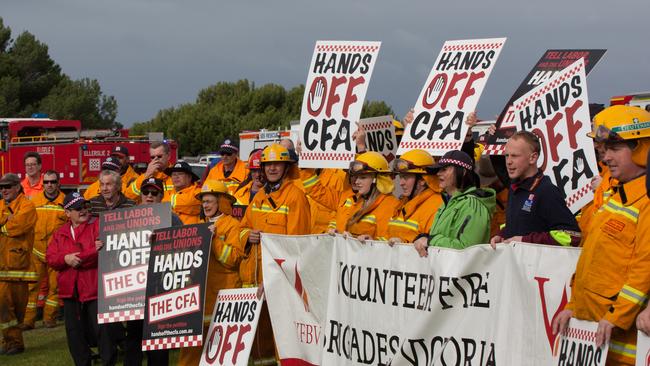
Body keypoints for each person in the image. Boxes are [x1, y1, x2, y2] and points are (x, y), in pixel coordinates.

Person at [553, 105, 650, 365]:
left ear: (641, 149)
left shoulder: (646, 202)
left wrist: (616, 317)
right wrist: (573, 306)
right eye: (602, 150)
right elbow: (592, 261)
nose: (605, 157)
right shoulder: (615, 197)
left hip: (621, 344)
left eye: (614, 148)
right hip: (593, 333)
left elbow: (643, 269)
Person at [238, 143, 311, 363]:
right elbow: (243, 227)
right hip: (256, 279)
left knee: (284, 339)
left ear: (287, 167)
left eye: (277, 164)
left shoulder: (295, 197)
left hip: (282, 282)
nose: (272, 169)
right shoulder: (259, 196)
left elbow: (296, 246)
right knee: (261, 344)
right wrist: (247, 236)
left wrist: (272, 280)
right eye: (268, 164)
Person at [178, 180, 244, 365]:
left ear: (222, 202)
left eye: (209, 201)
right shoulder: (200, 225)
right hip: (201, 294)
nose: (205, 205)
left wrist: (214, 239)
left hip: (224, 294)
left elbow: (233, 260)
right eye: (203, 201)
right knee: (191, 347)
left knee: (220, 350)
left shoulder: (232, 225)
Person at [489, 131, 581, 247]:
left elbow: (572, 236)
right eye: (507, 155)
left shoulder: (547, 191)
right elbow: (518, 224)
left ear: (533, 158)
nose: (508, 161)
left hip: (539, 264)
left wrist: (525, 241)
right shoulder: (514, 187)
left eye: (515, 156)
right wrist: (502, 235)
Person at [46, 192, 101, 366]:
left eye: (85, 206)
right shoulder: (59, 233)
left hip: (93, 289)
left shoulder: (97, 225)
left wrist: (75, 258)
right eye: (78, 208)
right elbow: (51, 258)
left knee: (101, 332)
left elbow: (99, 254)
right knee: (74, 333)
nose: (83, 211)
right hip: (70, 291)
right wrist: (65, 259)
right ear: (67, 213)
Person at [413, 151, 495, 255]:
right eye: (439, 170)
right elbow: (441, 236)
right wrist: (424, 237)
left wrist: (431, 241)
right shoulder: (447, 202)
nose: (438, 173)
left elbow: (468, 249)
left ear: (463, 172)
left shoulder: (473, 205)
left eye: (444, 169)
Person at [22, 170, 67, 330]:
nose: (49, 185)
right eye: (46, 182)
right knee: (32, 286)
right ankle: (28, 321)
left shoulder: (65, 202)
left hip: (56, 254)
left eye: (53, 182)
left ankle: (49, 318)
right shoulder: (34, 202)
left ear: (58, 183)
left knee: (55, 287)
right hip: (36, 251)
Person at [0, 173, 37, 355]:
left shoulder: (27, 206)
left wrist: (5, 226)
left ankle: (13, 342)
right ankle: (12, 342)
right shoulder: (1, 205)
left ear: (17, 187)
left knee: (16, 310)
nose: (4, 190)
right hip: (2, 268)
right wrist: (5, 221)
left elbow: (17, 227)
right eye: (1, 187)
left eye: (7, 186)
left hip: (18, 267)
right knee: (4, 307)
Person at [330, 152, 399, 242]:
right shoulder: (360, 200)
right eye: (356, 177)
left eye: (363, 177)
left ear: (377, 180)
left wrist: (372, 242)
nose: (357, 181)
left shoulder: (389, 205)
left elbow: (387, 243)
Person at [387, 149, 443, 244]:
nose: (401, 183)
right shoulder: (404, 203)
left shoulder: (436, 206)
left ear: (423, 180)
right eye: (401, 177)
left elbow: (432, 248)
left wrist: (404, 244)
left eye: (406, 177)